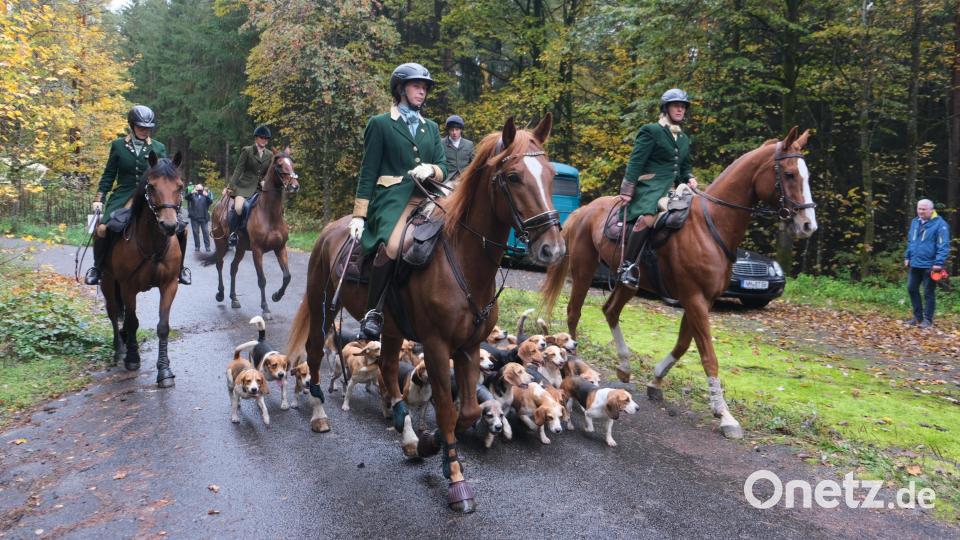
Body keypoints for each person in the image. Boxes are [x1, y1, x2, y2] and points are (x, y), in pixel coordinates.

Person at [350, 62, 448, 341]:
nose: (422, 92)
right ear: (401, 89)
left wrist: (432, 170)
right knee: (393, 246)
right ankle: (373, 313)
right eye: (417, 86)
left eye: (425, 88)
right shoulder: (380, 124)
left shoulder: (431, 128)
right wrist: (359, 214)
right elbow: (368, 171)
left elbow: (443, 165)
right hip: (394, 198)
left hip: (430, 196)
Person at [86, 105, 192, 286]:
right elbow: (108, 175)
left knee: (181, 229)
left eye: (148, 128)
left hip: (151, 196)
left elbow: (166, 177)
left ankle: (180, 270)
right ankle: (97, 268)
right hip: (123, 195)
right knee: (102, 229)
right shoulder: (118, 146)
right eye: (141, 127)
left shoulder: (158, 147)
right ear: (132, 126)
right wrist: (99, 198)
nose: (144, 131)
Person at [617, 88, 698, 288]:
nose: (680, 110)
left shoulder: (684, 138)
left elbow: (684, 167)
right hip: (650, 187)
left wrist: (690, 177)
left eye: (683, 107)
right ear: (666, 108)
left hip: (674, 190)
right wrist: (627, 190)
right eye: (676, 106)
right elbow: (636, 162)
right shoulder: (651, 130)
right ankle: (627, 266)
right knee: (648, 218)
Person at [904, 199, 950, 328]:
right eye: (919, 208)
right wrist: (907, 256)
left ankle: (928, 320)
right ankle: (917, 318)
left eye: (924, 209)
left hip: (931, 265)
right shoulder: (915, 222)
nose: (921, 211)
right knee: (911, 288)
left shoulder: (941, 225)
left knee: (928, 292)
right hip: (915, 263)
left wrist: (939, 263)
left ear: (931, 210)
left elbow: (944, 245)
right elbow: (911, 241)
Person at [226, 125, 273, 246]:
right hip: (244, 187)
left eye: (266, 138)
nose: (264, 140)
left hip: (260, 189)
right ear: (256, 138)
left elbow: (269, 172)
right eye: (262, 137)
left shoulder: (270, 154)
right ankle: (233, 234)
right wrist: (230, 186)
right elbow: (238, 170)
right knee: (239, 208)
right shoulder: (247, 150)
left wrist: (265, 181)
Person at [442, 114, 474, 180]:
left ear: (461, 130)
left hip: (465, 179)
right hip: (448, 179)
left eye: (457, 129)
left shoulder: (469, 144)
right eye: (452, 130)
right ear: (448, 130)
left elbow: (473, 163)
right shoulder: (441, 143)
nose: (454, 132)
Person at [186, 183, 214, 252]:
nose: (199, 190)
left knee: (206, 232)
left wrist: (207, 196)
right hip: (194, 218)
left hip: (204, 218)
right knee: (195, 232)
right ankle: (197, 246)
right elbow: (186, 198)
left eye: (200, 189)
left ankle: (207, 246)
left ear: (203, 189)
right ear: (195, 189)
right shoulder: (192, 196)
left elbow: (210, 202)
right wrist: (191, 192)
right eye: (198, 188)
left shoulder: (205, 196)